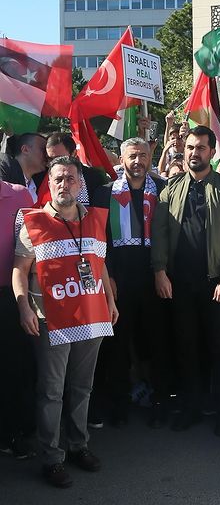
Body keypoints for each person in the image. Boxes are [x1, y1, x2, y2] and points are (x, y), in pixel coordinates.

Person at [12, 156, 118, 488]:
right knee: (52, 391)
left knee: (82, 387)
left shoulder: (97, 219)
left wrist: (111, 302)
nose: (64, 184)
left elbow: (100, 267)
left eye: (71, 178)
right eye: (58, 178)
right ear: (50, 183)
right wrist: (24, 308)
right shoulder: (33, 222)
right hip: (49, 320)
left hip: (92, 317)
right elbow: (19, 270)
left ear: (79, 184)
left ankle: (78, 445)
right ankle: (52, 458)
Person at [151, 125, 220, 435]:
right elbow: (160, 233)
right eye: (189, 147)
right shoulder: (170, 188)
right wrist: (160, 270)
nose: (193, 153)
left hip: (215, 283)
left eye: (200, 148)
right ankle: (190, 408)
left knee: (219, 348)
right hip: (178, 283)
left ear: (212, 152)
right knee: (186, 348)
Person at [91, 138, 168, 428]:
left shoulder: (162, 190)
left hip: (153, 279)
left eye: (144, 156)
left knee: (157, 343)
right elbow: (98, 239)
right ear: (122, 160)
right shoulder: (104, 193)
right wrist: (107, 274)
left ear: (150, 158)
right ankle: (119, 404)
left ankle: (160, 401)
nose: (138, 162)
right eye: (133, 156)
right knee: (118, 347)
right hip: (118, 281)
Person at [0, 179, 37, 459]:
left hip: (9, 295)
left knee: (13, 367)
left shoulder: (19, 194)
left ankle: (12, 432)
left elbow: (34, 242)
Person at [45, 132, 110, 205]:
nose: (55, 163)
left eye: (60, 158)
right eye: (50, 159)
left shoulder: (94, 177)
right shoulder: (41, 177)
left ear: (74, 153)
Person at [0, 132, 47, 201]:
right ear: (25, 150)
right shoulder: (4, 167)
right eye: (43, 150)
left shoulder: (39, 183)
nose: (47, 155)